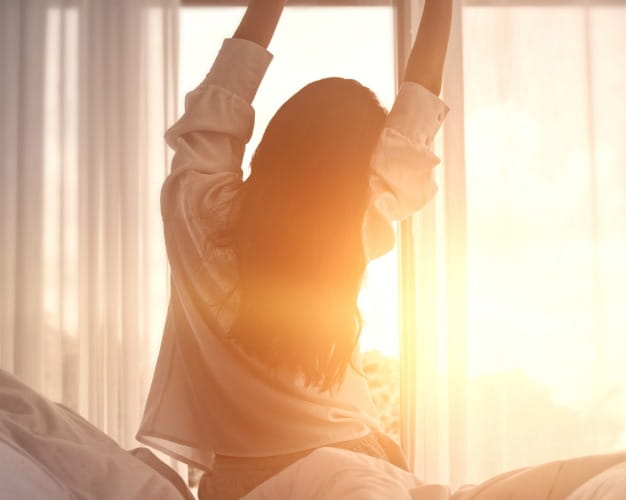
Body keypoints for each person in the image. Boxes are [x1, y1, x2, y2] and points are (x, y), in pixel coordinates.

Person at [135, 0, 452, 497]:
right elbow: (416, 109)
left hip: (239, 478)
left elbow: (222, 94)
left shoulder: (197, 211)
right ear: (359, 166)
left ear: (275, 138)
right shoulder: (352, 224)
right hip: (353, 458)